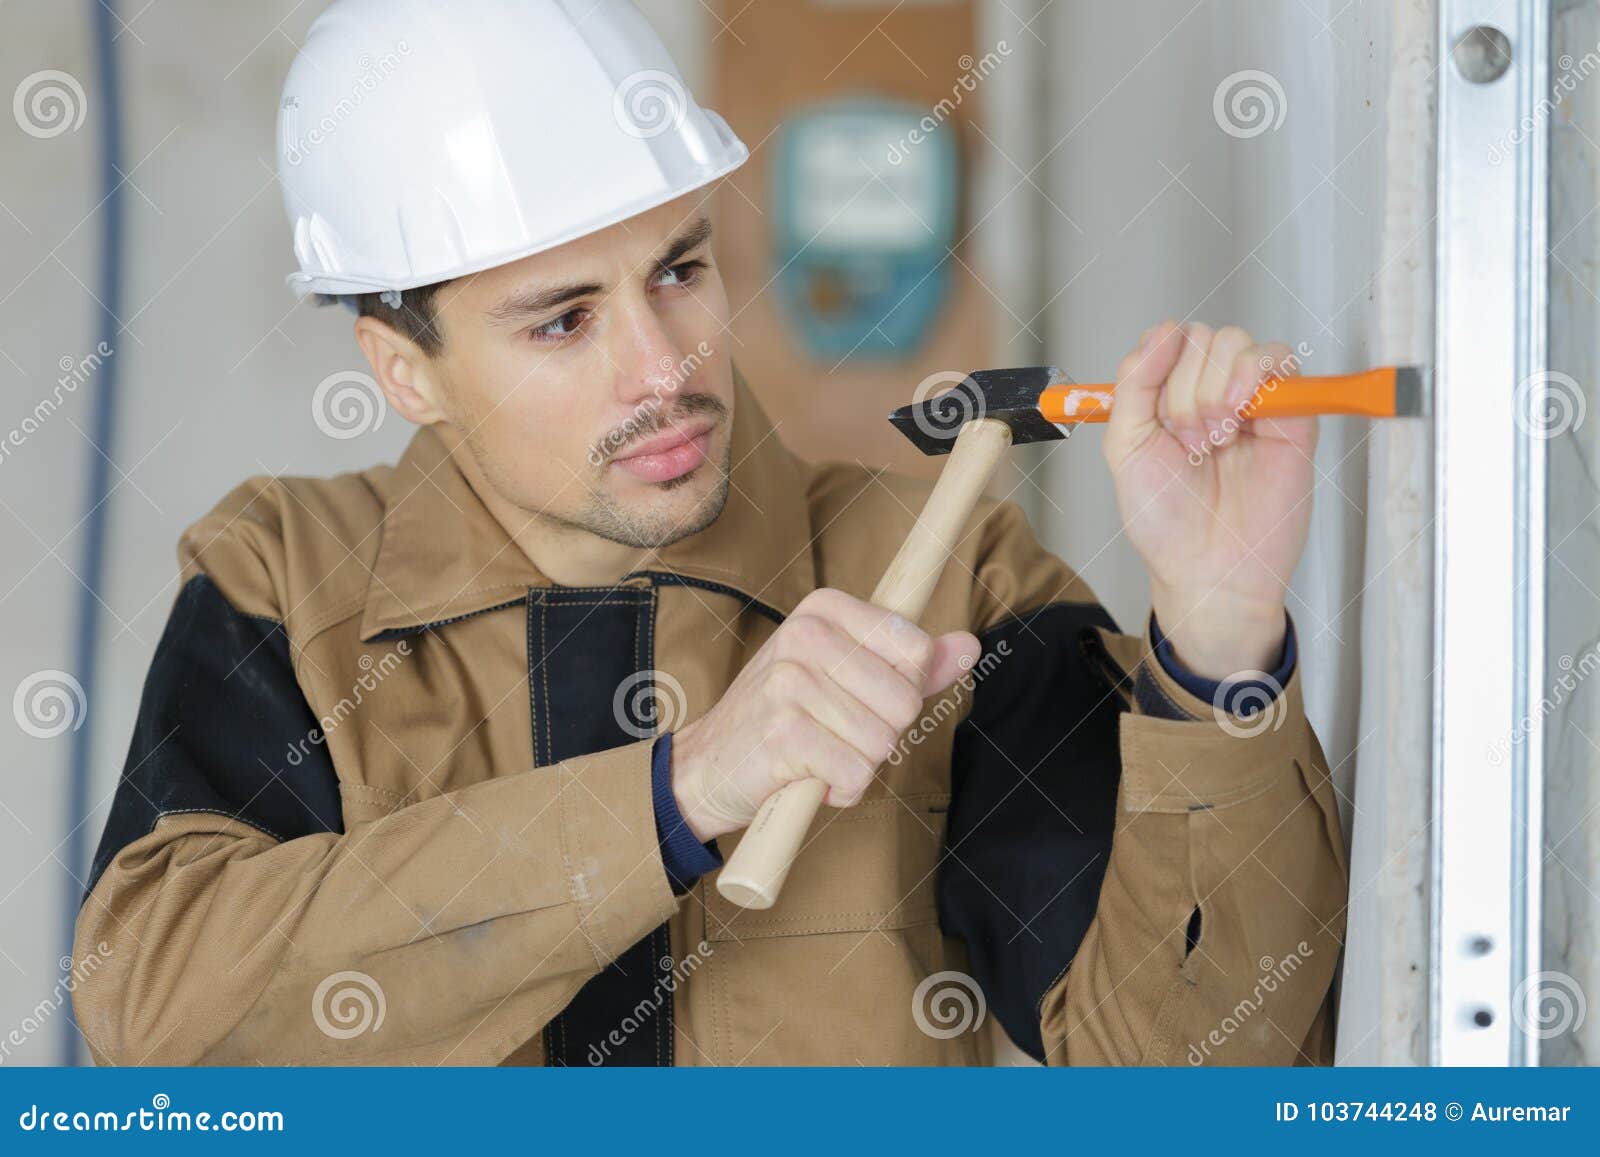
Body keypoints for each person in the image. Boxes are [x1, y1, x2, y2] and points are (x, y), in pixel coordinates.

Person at [73, 0, 1345, 1066]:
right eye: (562, 321)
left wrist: (1216, 631)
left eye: (679, 269)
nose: (665, 368)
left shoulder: (940, 577)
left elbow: (1189, 1063)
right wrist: (681, 789)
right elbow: (161, 1010)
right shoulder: (288, 581)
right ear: (403, 368)